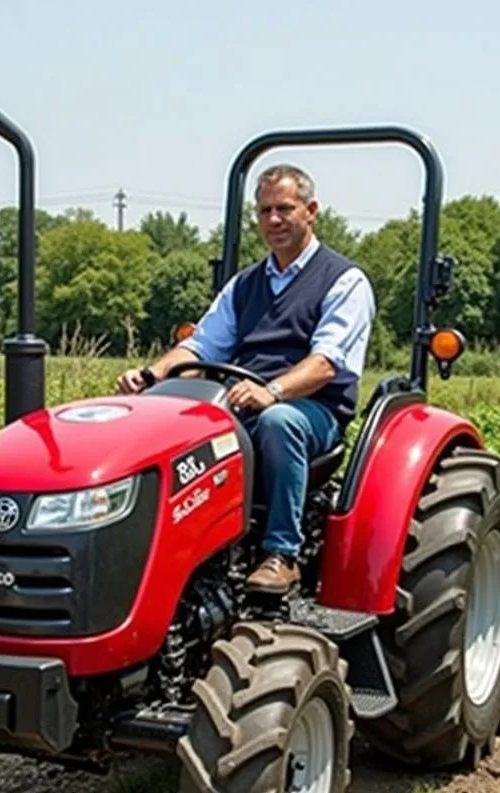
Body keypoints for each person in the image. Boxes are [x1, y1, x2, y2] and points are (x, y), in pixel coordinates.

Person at [117, 165, 376, 594]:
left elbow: (326, 363)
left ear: (311, 211)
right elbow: (201, 346)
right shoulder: (245, 285)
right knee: (176, 428)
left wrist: (272, 392)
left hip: (313, 410)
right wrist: (151, 374)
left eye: (285, 209)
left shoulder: (344, 281)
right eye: (265, 210)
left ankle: (281, 554)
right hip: (240, 398)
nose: (273, 220)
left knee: (280, 423)